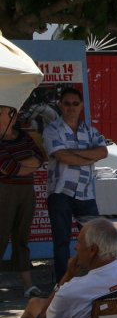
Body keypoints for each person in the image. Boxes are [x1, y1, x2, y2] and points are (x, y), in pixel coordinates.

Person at [43, 87, 108, 281]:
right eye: (67, 103)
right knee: (62, 241)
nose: (71, 107)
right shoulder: (52, 129)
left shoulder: (90, 130)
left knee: (94, 240)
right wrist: (89, 156)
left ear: (81, 106)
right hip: (60, 192)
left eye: (75, 103)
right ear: (60, 105)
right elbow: (61, 156)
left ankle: (98, 279)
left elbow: (103, 153)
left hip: (85, 193)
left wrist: (73, 154)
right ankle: (63, 284)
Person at [0, 104, 48, 298]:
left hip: (26, 190)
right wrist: (25, 164)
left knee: (22, 237)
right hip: (5, 191)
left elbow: (39, 158)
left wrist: (23, 165)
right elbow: (8, 168)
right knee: (1, 237)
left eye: (12, 111)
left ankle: (28, 286)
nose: (12, 114)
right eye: (7, 111)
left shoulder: (23, 135)